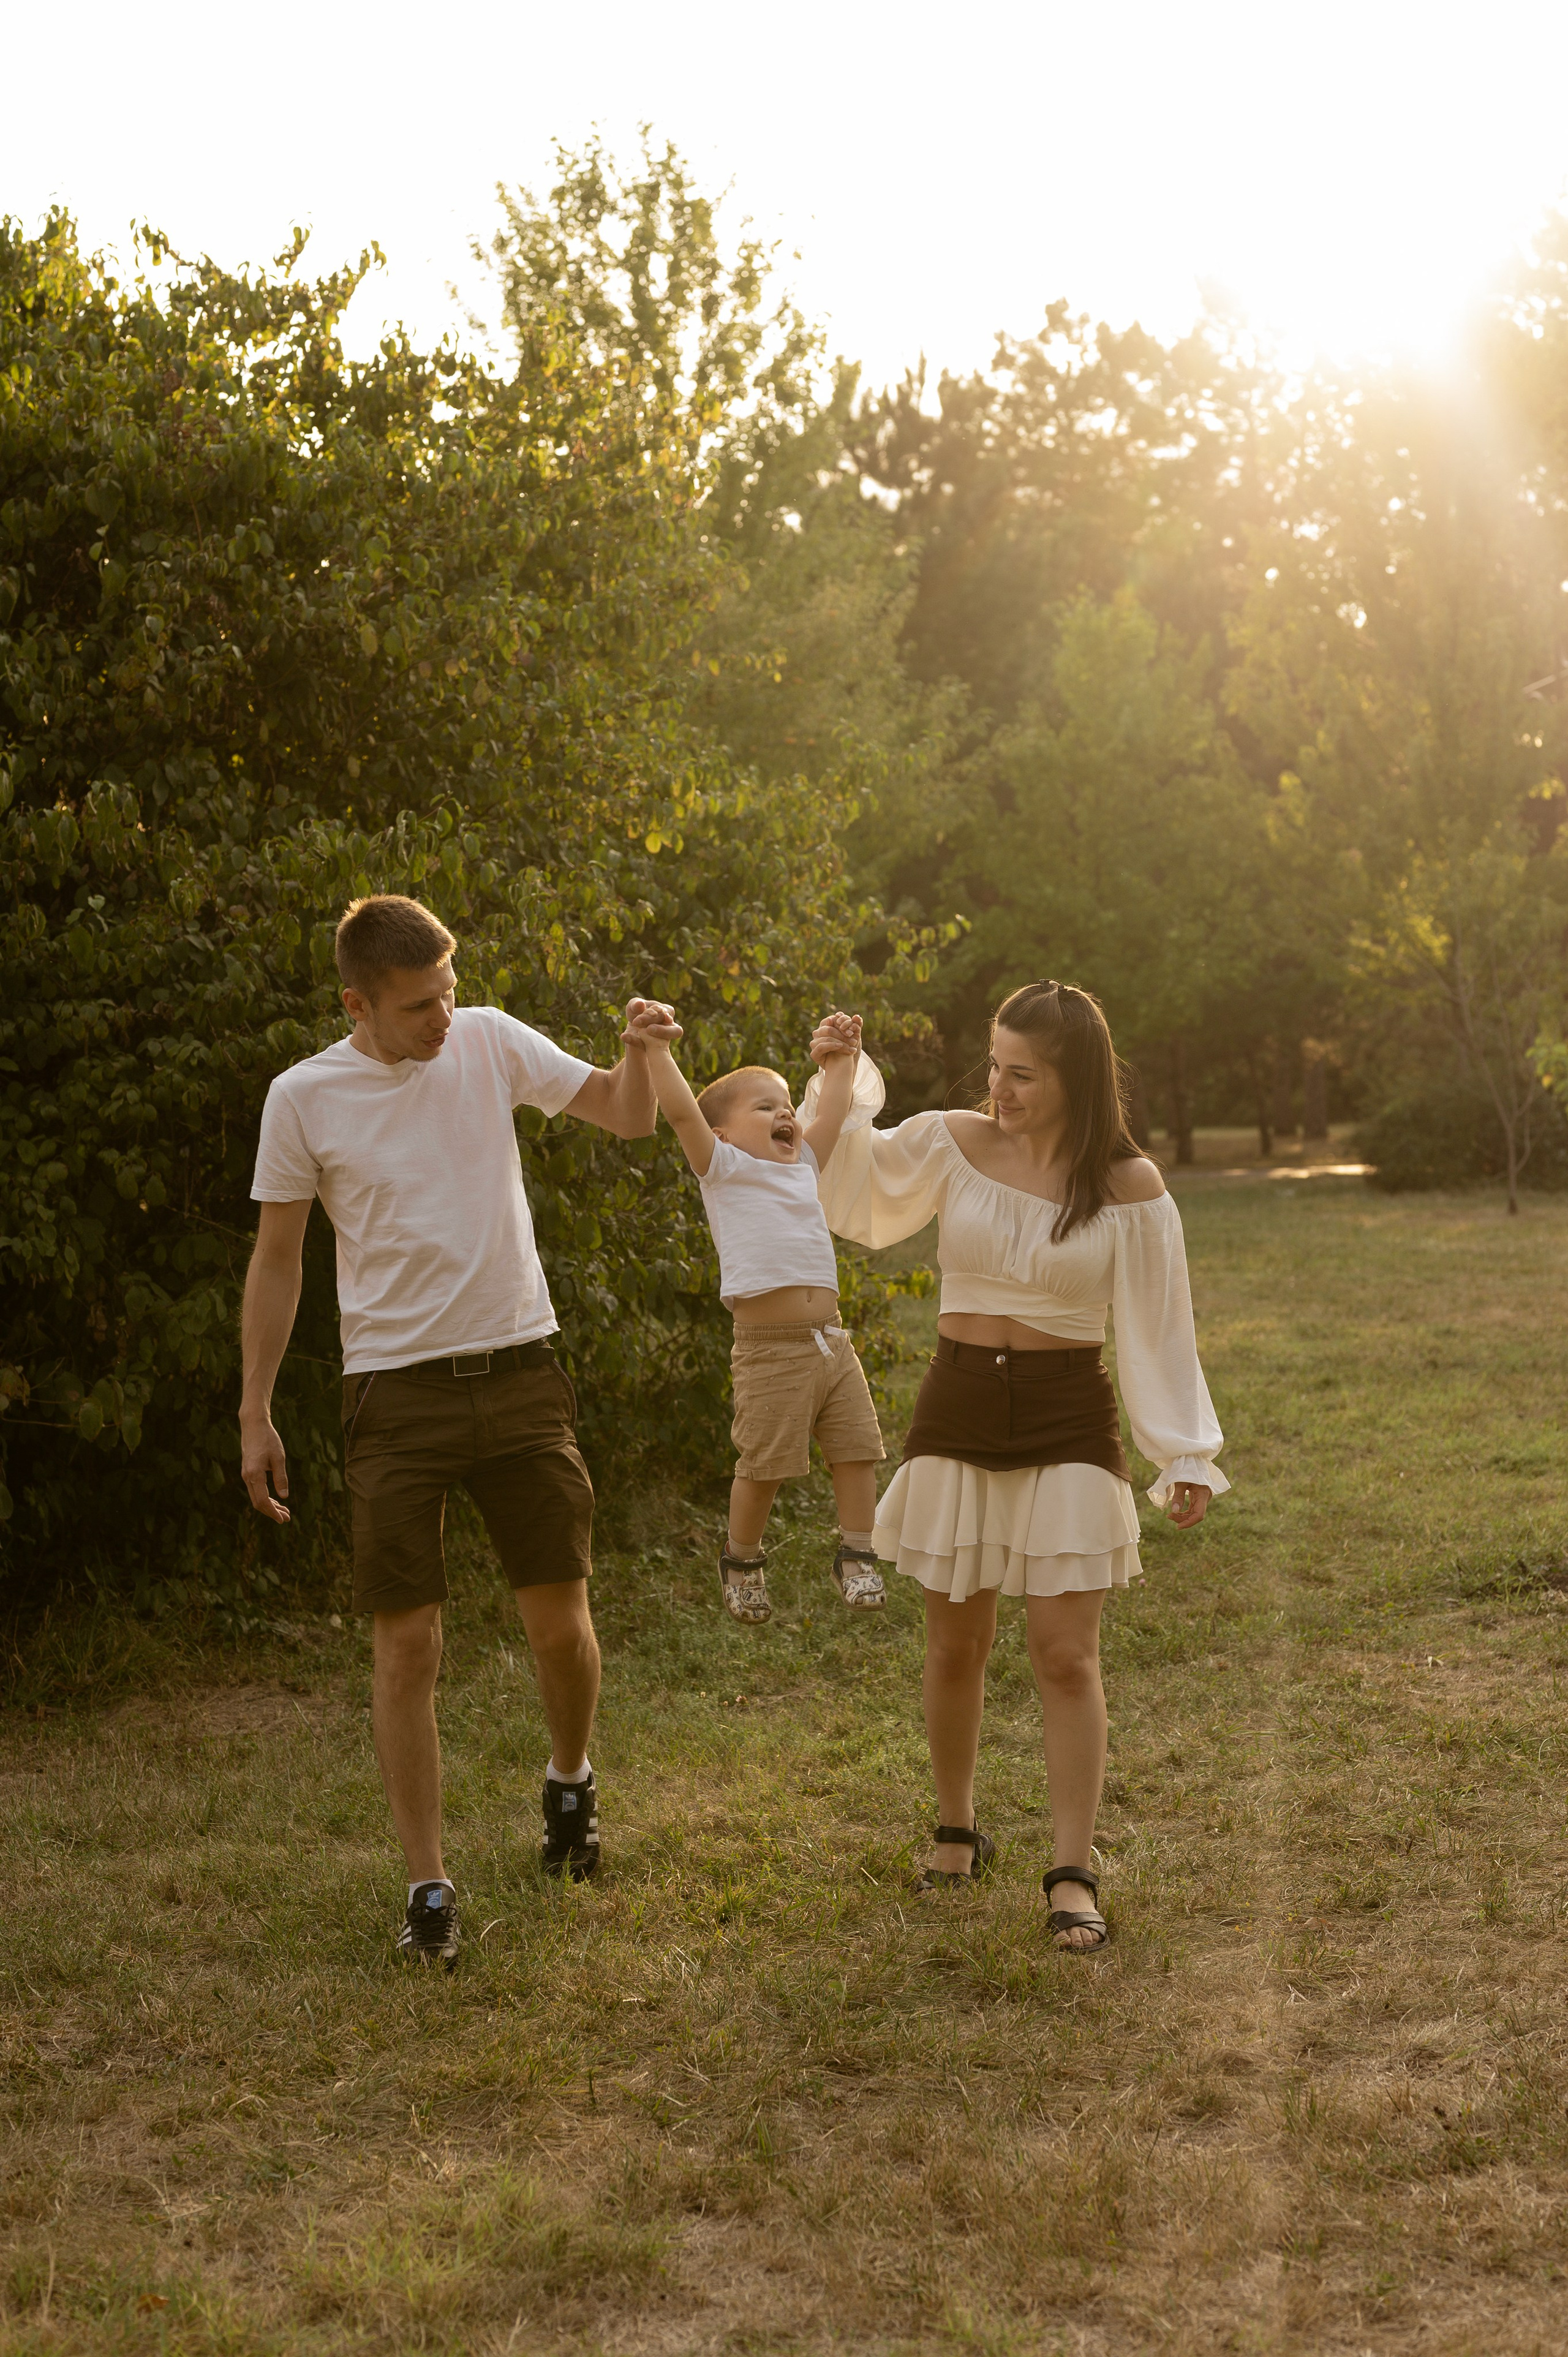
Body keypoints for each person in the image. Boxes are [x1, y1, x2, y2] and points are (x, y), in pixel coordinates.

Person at [239, 893, 666, 1969]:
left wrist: (640, 1051)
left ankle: (570, 1782)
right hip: (393, 1394)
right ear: (358, 1001)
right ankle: (430, 1881)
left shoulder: (486, 1040)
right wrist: (255, 1406)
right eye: (420, 1002)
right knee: (408, 1641)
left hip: (520, 1368)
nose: (445, 1015)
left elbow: (626, 1114)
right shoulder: (303, 1098)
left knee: (561, 1626)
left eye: (450, 989)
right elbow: (279, 1258)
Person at [804, 981, 1228, 1954]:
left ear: (1075, 1077)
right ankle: (955, 1829)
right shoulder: (952, 1142)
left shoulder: (1129, 1187)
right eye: (994, 1065)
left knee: (1064, 1655)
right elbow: (841, 1186)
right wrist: (834, 1080)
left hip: (1067, 1418)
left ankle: (1072, 1872)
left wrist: (1184, 1453)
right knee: (955, 1646)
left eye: (1022, 1074)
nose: (998, 1087)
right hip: (956, 1410)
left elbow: (1161, 1332)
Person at [625, 1005, 886, 1624]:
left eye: (785, 1104)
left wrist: (842, 1058)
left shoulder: (801, 1166)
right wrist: (657, 1050)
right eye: (765, 1106)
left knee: (857, 1449)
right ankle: (741, 1560)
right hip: (770, 1347)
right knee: (765, 1464)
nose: (785, 1113)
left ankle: (857, 1552)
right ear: (722, 1136)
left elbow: (830, 1112)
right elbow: (684, 1112)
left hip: (832, 1340)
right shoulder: (723, 1169)